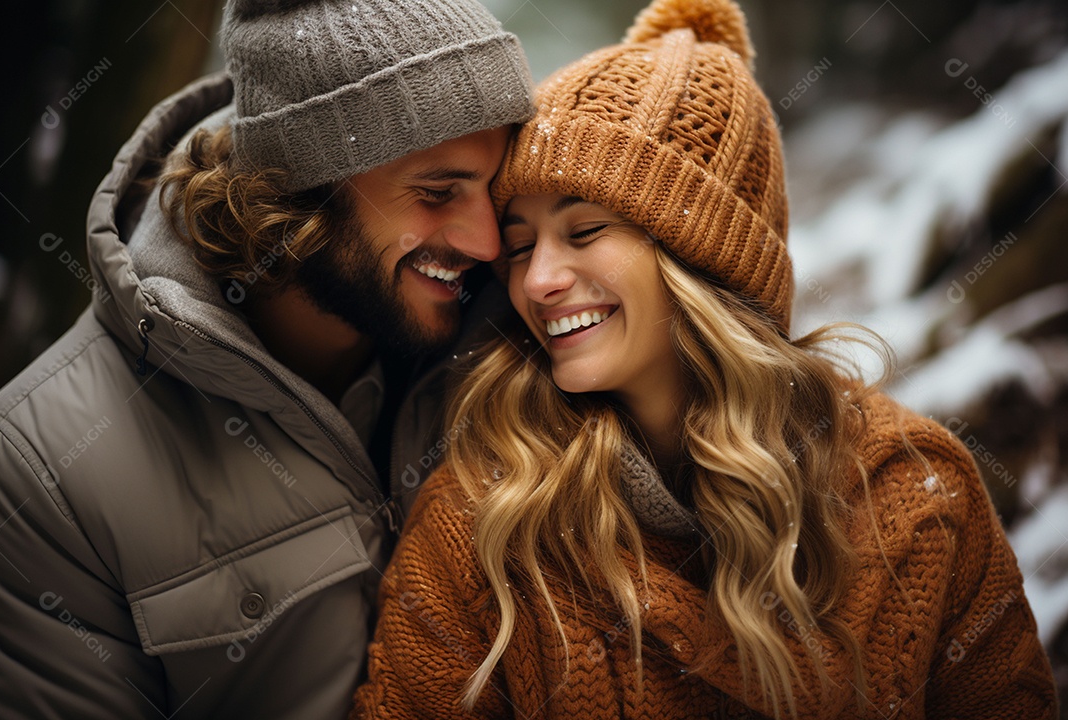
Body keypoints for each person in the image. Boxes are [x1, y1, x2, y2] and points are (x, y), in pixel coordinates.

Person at [349, 0, 1058, 717]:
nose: (537, 281)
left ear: (704, 258)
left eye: (585, 229)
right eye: (523, 242)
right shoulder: (483, 522)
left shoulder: (914, 495)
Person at [0, 0, 533, 717]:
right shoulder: (40, 466)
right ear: (298, 191)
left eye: (494, 191)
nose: (487, 243)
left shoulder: (516, 346)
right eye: (436, 193)